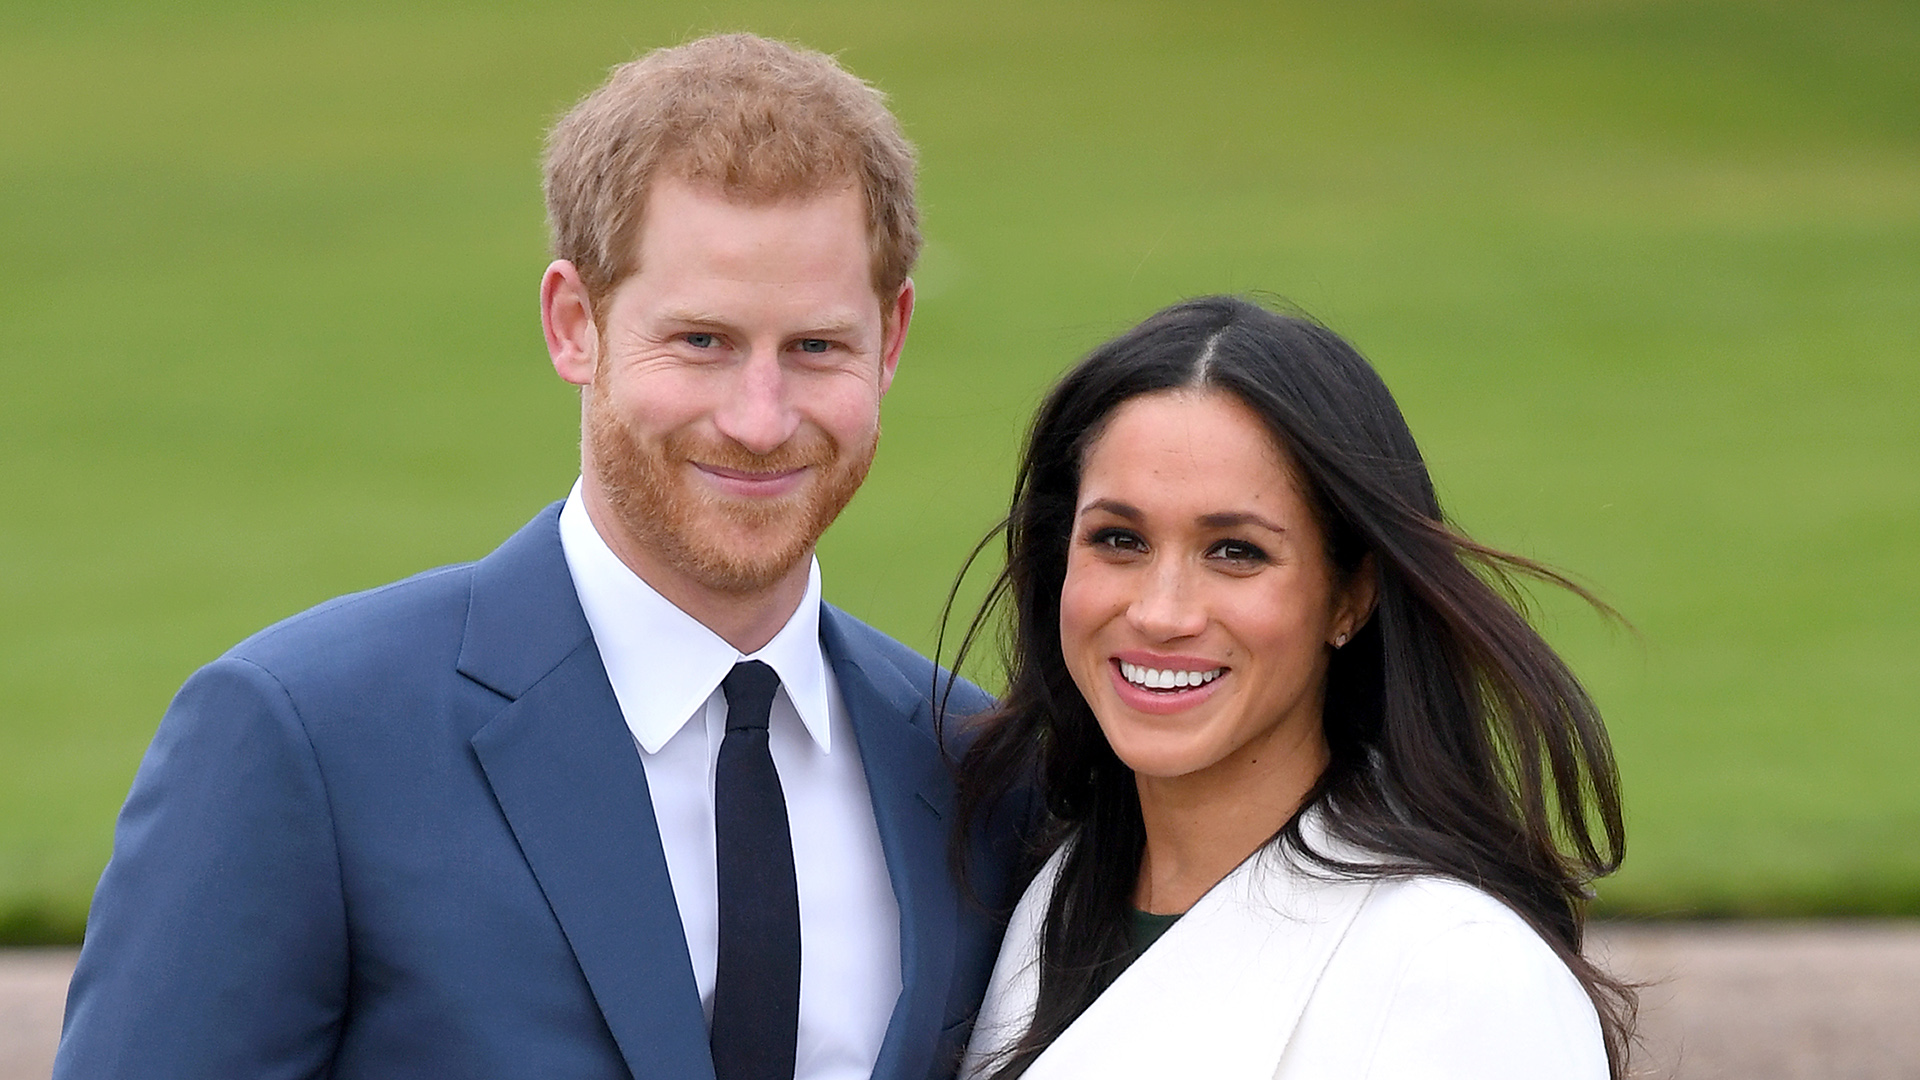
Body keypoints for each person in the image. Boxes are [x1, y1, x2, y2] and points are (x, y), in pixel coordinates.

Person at [56, 33, 1023, 1080]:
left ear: (894, 338)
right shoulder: (306, 740)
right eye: (701, 341)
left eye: (816, 347)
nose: (759, 418)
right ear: (575, 325)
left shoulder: (976, 768)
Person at [949, 296, 1635, 1080]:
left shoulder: (1456, 973)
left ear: (1350, 597)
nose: (1161, 612)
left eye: (1235, 551)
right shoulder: (1042, 898)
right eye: (1119, 540)